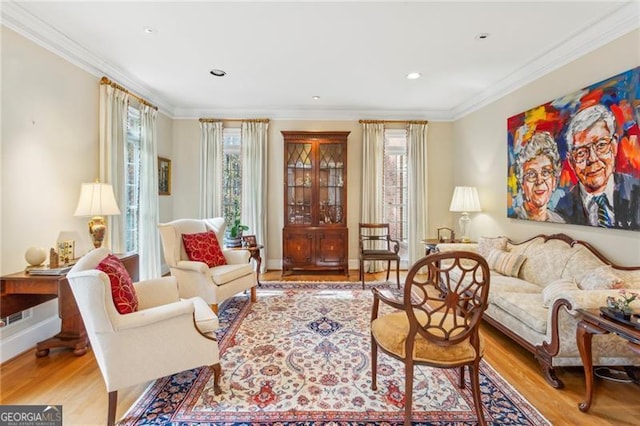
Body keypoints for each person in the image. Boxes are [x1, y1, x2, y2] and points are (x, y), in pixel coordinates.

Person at [556, 104, 640, 229]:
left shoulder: (636, 192)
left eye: (601, 145)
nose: (593, 159)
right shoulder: (561, 209)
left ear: (614, 146)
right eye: (581, 152)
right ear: (571, 161)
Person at [513, 132, 565, 222]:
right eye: (531, 174)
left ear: (554, 181)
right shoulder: (514, 216)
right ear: (522, 183)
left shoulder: (560, 221)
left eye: (546, 172)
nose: (539, 181)